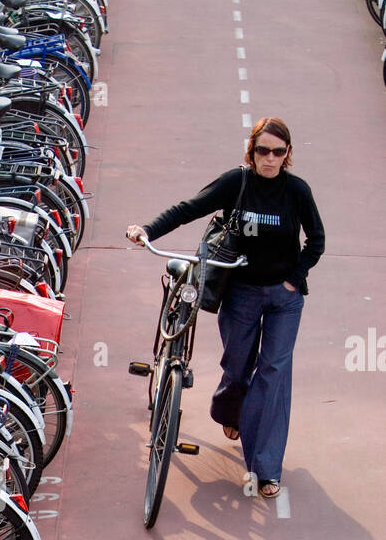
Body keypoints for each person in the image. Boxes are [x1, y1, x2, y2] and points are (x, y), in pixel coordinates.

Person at [127, 118, 325, 498]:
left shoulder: (297, 191)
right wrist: (147, 230)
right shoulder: (237, 183)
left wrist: (293, 278)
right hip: (242, 295)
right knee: (237, 369)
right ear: (251, 152)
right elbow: (189, 208)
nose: (270, 159)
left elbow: (316, 240)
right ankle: (230, 411)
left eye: (278, 152)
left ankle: (265, 468)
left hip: (284, 299)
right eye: (262, 151)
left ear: (288, 156)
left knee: (273, 373)